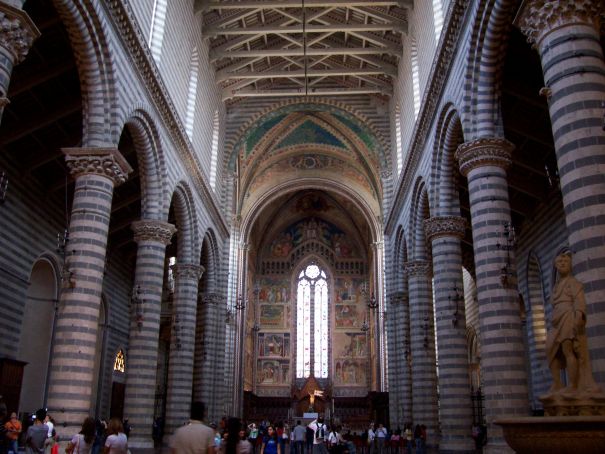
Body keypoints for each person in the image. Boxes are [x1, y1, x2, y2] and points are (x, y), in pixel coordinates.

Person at [545, 250, 600, 395]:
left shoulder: (573, 283)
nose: (562, 264)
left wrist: (579, 316)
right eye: (560, 263)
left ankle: (573, 385)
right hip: (557, 321)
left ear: (570, 265)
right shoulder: (557, 286)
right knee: (550, 351)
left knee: (568, 350)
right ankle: (557, 383)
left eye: (565, 262)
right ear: (556, 266)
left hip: (568, 317)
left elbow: (579, 301)